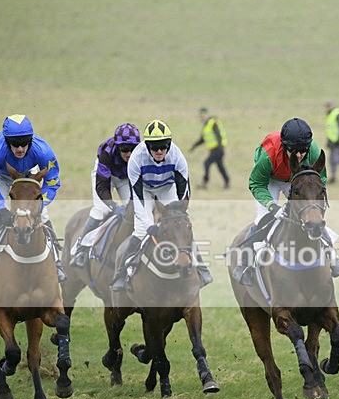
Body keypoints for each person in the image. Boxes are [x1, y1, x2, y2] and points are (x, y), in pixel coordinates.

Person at [231, 117, 339, 286]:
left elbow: (320, 178)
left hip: (297, 179)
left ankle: (332, 256)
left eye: (303, 151)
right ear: (285, 147)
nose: (300, 155)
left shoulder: (313, 151)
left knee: (312, 215)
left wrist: (313, 201)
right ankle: (245, 263)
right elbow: (256, 183)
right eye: (295, 152)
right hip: (270, 179)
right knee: (264, 218)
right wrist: (271, 206)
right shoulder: (268, 156)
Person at [110, 119, 212, 292]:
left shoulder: (178, 157)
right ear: (147, 146)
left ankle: (201, 269)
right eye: (155, 147)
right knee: (141, 231)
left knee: (179, 228)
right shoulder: (136, 159)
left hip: (167, 188)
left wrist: (179, 214)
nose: (159, 151)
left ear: (169, 145)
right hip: (145, 191)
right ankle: (121, 275)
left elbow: (184, 192)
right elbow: (137, 198)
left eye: (163, 147)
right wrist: (149, 225)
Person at [0, 114, 66, 287]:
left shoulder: (43, 151)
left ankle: (57, 264)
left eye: (24, 144)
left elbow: (53, 181)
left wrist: (40, 205)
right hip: (1, 178)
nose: (20, 149)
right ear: (7, 142)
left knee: (44, 217)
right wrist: (1, 209)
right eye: (15, 145)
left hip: (29, 176)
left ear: (31, 141)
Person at [70, 122, 140, 268]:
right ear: (118, 146)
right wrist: (114, 207)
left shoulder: (141, 154)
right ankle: (81, 249)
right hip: (106, 176)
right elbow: (101, 187)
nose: (129, 153)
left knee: (135, 210)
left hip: (125, 178)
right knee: (102, 210)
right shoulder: (106, 152)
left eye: (132, 149)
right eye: (125, 149)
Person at [189, 107, 229, 189]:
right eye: (200, 116)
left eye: (203, 115)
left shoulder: (212, 122)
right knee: (220, 166)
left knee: (206, 163)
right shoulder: (206, 126)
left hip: (218, 149)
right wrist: (194, 146)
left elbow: (219, 135)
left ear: (206, 115)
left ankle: (205, 182)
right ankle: (227, 181)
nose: (201, 117)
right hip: (214, 149)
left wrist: (220, 146)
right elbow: (203, 139)